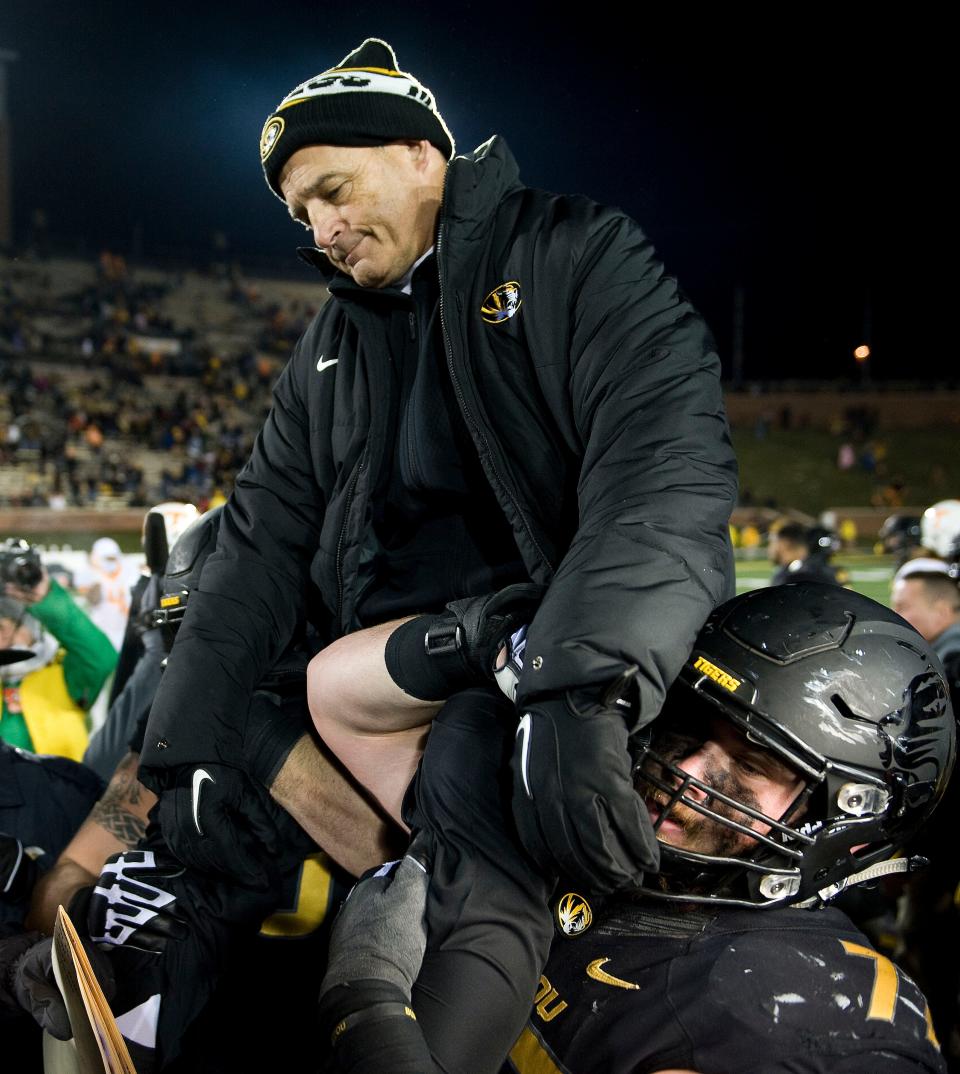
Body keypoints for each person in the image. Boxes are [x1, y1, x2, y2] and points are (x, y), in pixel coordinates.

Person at [138, 34, 736, 914]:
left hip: (538, 665)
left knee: (514, 875)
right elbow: (258, 546)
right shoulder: (326, 350)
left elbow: (662, 473)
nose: (322, 232)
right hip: (373, 693)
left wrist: (581, 685)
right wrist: (182, 748)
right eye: (301, 215)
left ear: (423, 152)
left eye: (333, 193)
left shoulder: (575, 251)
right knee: (208, 867)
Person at [318, 583, 953, 1073]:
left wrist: (369, 1016)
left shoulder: (802, 998)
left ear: (848, 824)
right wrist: (508, 635)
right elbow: (339, 697)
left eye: (753, 762)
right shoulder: (585, 832)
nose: (686, 770)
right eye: (693, 725)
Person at [0, 559, 117, 760]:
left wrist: (45, 599)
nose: (3, 640)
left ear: (34, 628)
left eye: (7, 628)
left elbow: (100, 657)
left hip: (58, 787)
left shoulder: (62, 673)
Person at [767, 519, 839, 586]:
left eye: (772, 542)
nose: (769, 548)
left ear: (785, 543)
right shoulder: (824, 571)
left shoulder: (794, 576)